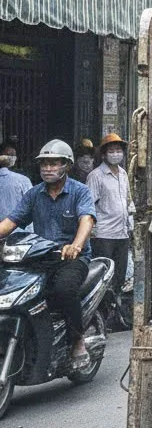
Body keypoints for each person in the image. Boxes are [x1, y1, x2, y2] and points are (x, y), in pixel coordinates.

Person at [0, 140, 96, 368]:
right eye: (44, 164)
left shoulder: (80, 192)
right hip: (41, 258)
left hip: (72, 259)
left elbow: (87, 220)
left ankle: (77, 340)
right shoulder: (34, 194)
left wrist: (76, 245)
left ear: (67, 166)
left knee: (63, 290)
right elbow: (11, 222)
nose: (47, 168)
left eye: (54, 164)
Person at [86, 133, 133, 306]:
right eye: (111, 150)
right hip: (103, 235)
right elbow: (88, 206)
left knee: (119, 276)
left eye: (118, 150)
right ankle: (102, 311)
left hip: (122, 233)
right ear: (104, 154)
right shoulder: (96, 176)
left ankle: (115, 311)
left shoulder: (123, 174)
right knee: (104, 276)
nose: (116, 154)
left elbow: (128, 200)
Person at [0, 140, 31, 219]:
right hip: (19, 228)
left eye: (13, 155)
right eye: (8, 155)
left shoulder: (23, 179)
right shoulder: (23, 180)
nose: (11, 158)